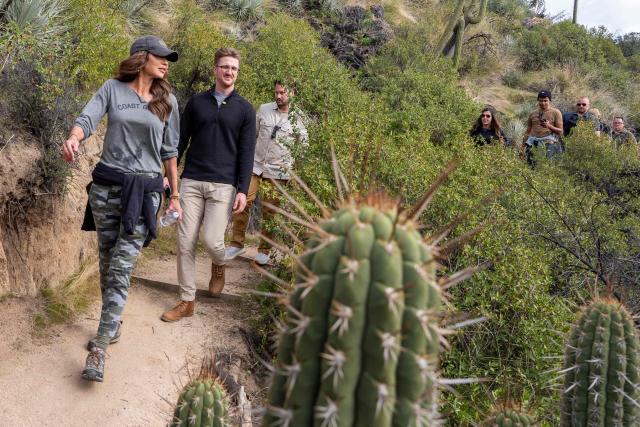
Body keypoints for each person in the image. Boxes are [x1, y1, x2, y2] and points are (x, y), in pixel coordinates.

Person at [62, 36, 181, 382]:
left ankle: (99, 347)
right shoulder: (113, 89)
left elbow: (170, 152)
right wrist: (74, 137)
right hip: (106, 189)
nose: (166, 62)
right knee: (106, 261)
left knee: (121, 266)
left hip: (144, 194)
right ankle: (112, 324)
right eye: (161, 56)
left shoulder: (168, 101)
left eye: (168, 58)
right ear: (142, 58)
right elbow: (88, 117)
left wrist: (175, 195)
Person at [161, 47, 256, 322]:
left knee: (213, 241)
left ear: (237, 73)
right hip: (191, 181)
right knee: (184, 242)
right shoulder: (196, 103)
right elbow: (180, 141)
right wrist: (171, 172)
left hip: (224, 187)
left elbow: (246, 153)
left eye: (234, 69)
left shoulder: (245, 110)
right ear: (215, 68)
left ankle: (219, 263)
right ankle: (187, 301)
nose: (229, 72)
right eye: (225, 66)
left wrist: (242, 189)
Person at [226, 80, 308, 265]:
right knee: (242, 201)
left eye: (282, 93)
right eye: (276, 92)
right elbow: (251, 135)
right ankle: (236, 243)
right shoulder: (263, 109)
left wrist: (295, 174)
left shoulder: (300, 118)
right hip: (255, 166)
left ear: (292, 93)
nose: (278, 96)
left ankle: (264, 250)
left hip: (279, 172)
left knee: (270, 211)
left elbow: (302, 149)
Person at [521, 90, 563, 165]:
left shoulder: (556, 112)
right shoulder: (532, 113)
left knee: (547, 166)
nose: (543, 103)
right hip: (532, 143)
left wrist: (548, 126)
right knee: (530, 166)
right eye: (541, 101)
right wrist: (522, 147)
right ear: (538, 101)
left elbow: (560, 131)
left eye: (545, 101)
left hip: (548, 143)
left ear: (549, 100)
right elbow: (528, 131)